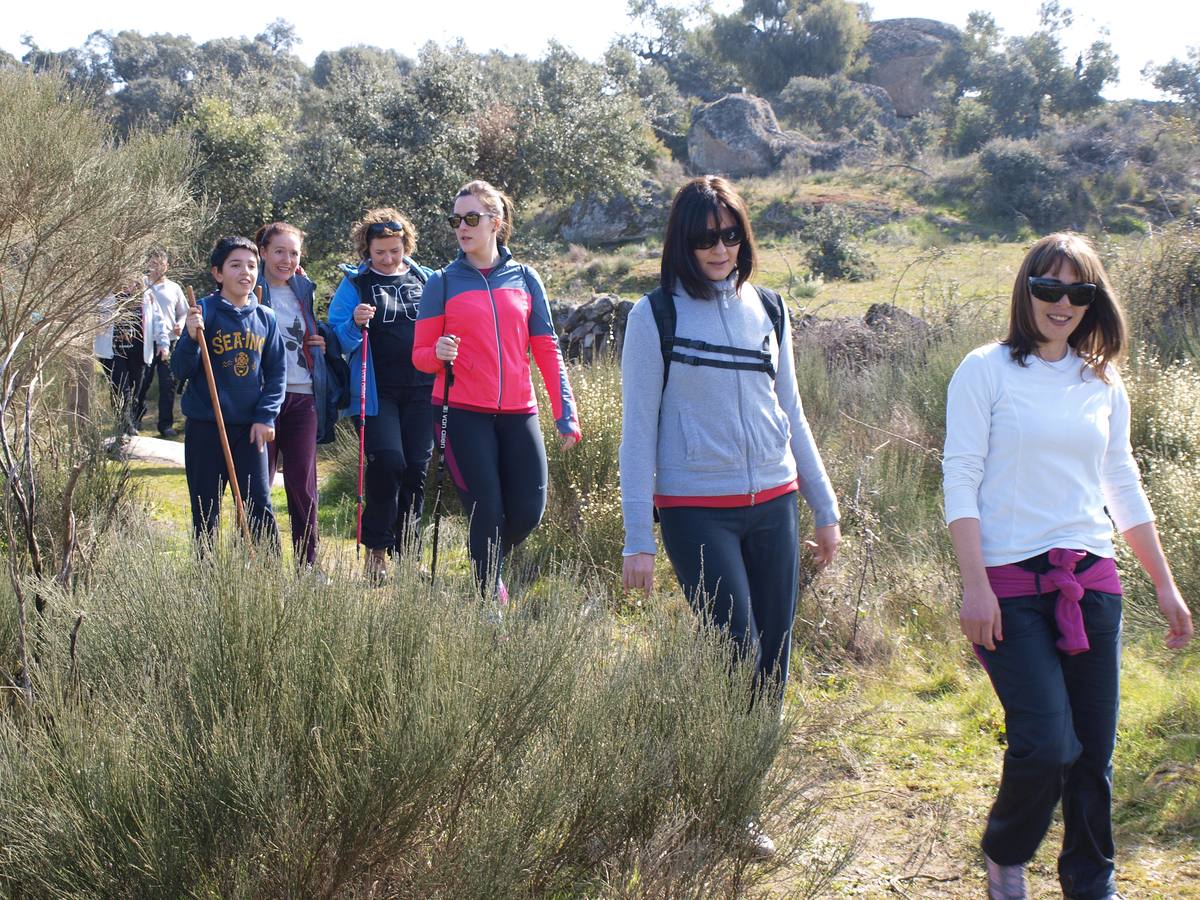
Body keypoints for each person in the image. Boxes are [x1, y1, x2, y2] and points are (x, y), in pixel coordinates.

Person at [942, 233, 1193, 900]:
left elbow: (1123, 484)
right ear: (1025, 289)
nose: (1061, 303)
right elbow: (960, 478)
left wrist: (1164, 586)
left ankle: (1092, 882)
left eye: (1077, 292)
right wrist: (974, 587)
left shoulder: (1102, 381)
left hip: (1092, 581)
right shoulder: (984, 370)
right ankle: (1005, 852)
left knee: (1094, 754)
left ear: (1092, 300)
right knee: (1048, 744)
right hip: (1008, 587)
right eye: (1047, 288)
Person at [619, 175, 841, 703]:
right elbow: (637, 433)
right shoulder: (654, 315)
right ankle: (726, 770)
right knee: (736, 651)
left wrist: (824, 507)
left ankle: (759, 764)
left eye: (731, 235)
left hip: (775, 502)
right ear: (682, 243)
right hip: (695, 509)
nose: (720, 249)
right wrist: (637, 539)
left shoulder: (770, 309)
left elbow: (793, 413)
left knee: (775, 653)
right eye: (705, 238)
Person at [413, 180, 581, 602]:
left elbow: (546, 347)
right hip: (460, 411)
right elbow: (419, 357)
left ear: (496, 222)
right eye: (456, 220)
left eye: (472, 218)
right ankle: (490, 602)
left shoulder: (525, 278)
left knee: (527, 511)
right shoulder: (442, 282)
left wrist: (565, 412)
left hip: (518, 411)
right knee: (485, 508)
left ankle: (486, 561)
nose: (462, 227)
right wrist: (437, 352)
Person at [328, 209, 436, 581]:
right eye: (380, 253)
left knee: (416, 472)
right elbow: (335, 339)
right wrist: (355, 324)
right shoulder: (355, 284)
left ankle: (409, 554)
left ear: (406, 245)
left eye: (394, 250)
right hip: (376, 394)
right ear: (366, 250)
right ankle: (377, 552)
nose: (388, 259)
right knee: (389, 464)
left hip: (423, 390)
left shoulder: (425, 279)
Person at [171, 236, 286, 550]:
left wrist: (266, 417)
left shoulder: (266, 318)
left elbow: (277, 374)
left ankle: (268, 580)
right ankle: (208, 582)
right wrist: (192, 339)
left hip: (251, 429)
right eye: (235, 265)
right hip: (207, 426)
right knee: (206, 510)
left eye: (251, 266)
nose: (245, 272)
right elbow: (179, 370)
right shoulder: (203, 313)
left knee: (259, 506)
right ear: (218, 273)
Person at [255, 221, 339, 571]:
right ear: (262, 252)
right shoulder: (251, 288)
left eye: (293, 253)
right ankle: (261, 564)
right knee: (258, 485)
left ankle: (308, 565)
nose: (286, 259)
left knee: (303, 485)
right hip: (263, 400)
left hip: (304, 396)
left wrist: (321, 342)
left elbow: (311, 333)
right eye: (279, 251)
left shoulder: (304, 290)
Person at [94, 277, 171, 439]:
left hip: (138, 351)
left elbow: (158, 321)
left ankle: (130, 422)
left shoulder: (146, 296)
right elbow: (93, 317)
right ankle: (124, 427)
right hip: (113, 352)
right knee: (121, 388)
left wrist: (164, 344)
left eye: (132, 282)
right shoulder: (105, 296)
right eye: (124, 281)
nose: (128, 285)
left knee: (136, 390)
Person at [135, 249, 189, 437]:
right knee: (142, 382)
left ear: (167, 266)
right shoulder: (141, 286)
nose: (156, 268)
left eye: (160, 264)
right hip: (145, 341)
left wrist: (179, 325)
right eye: (153, 263)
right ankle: (135, 420)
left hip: (169, 342)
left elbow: (184, 312)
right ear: (147, 264)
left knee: (168, 384)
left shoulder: (174, 288)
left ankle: (165, 425)